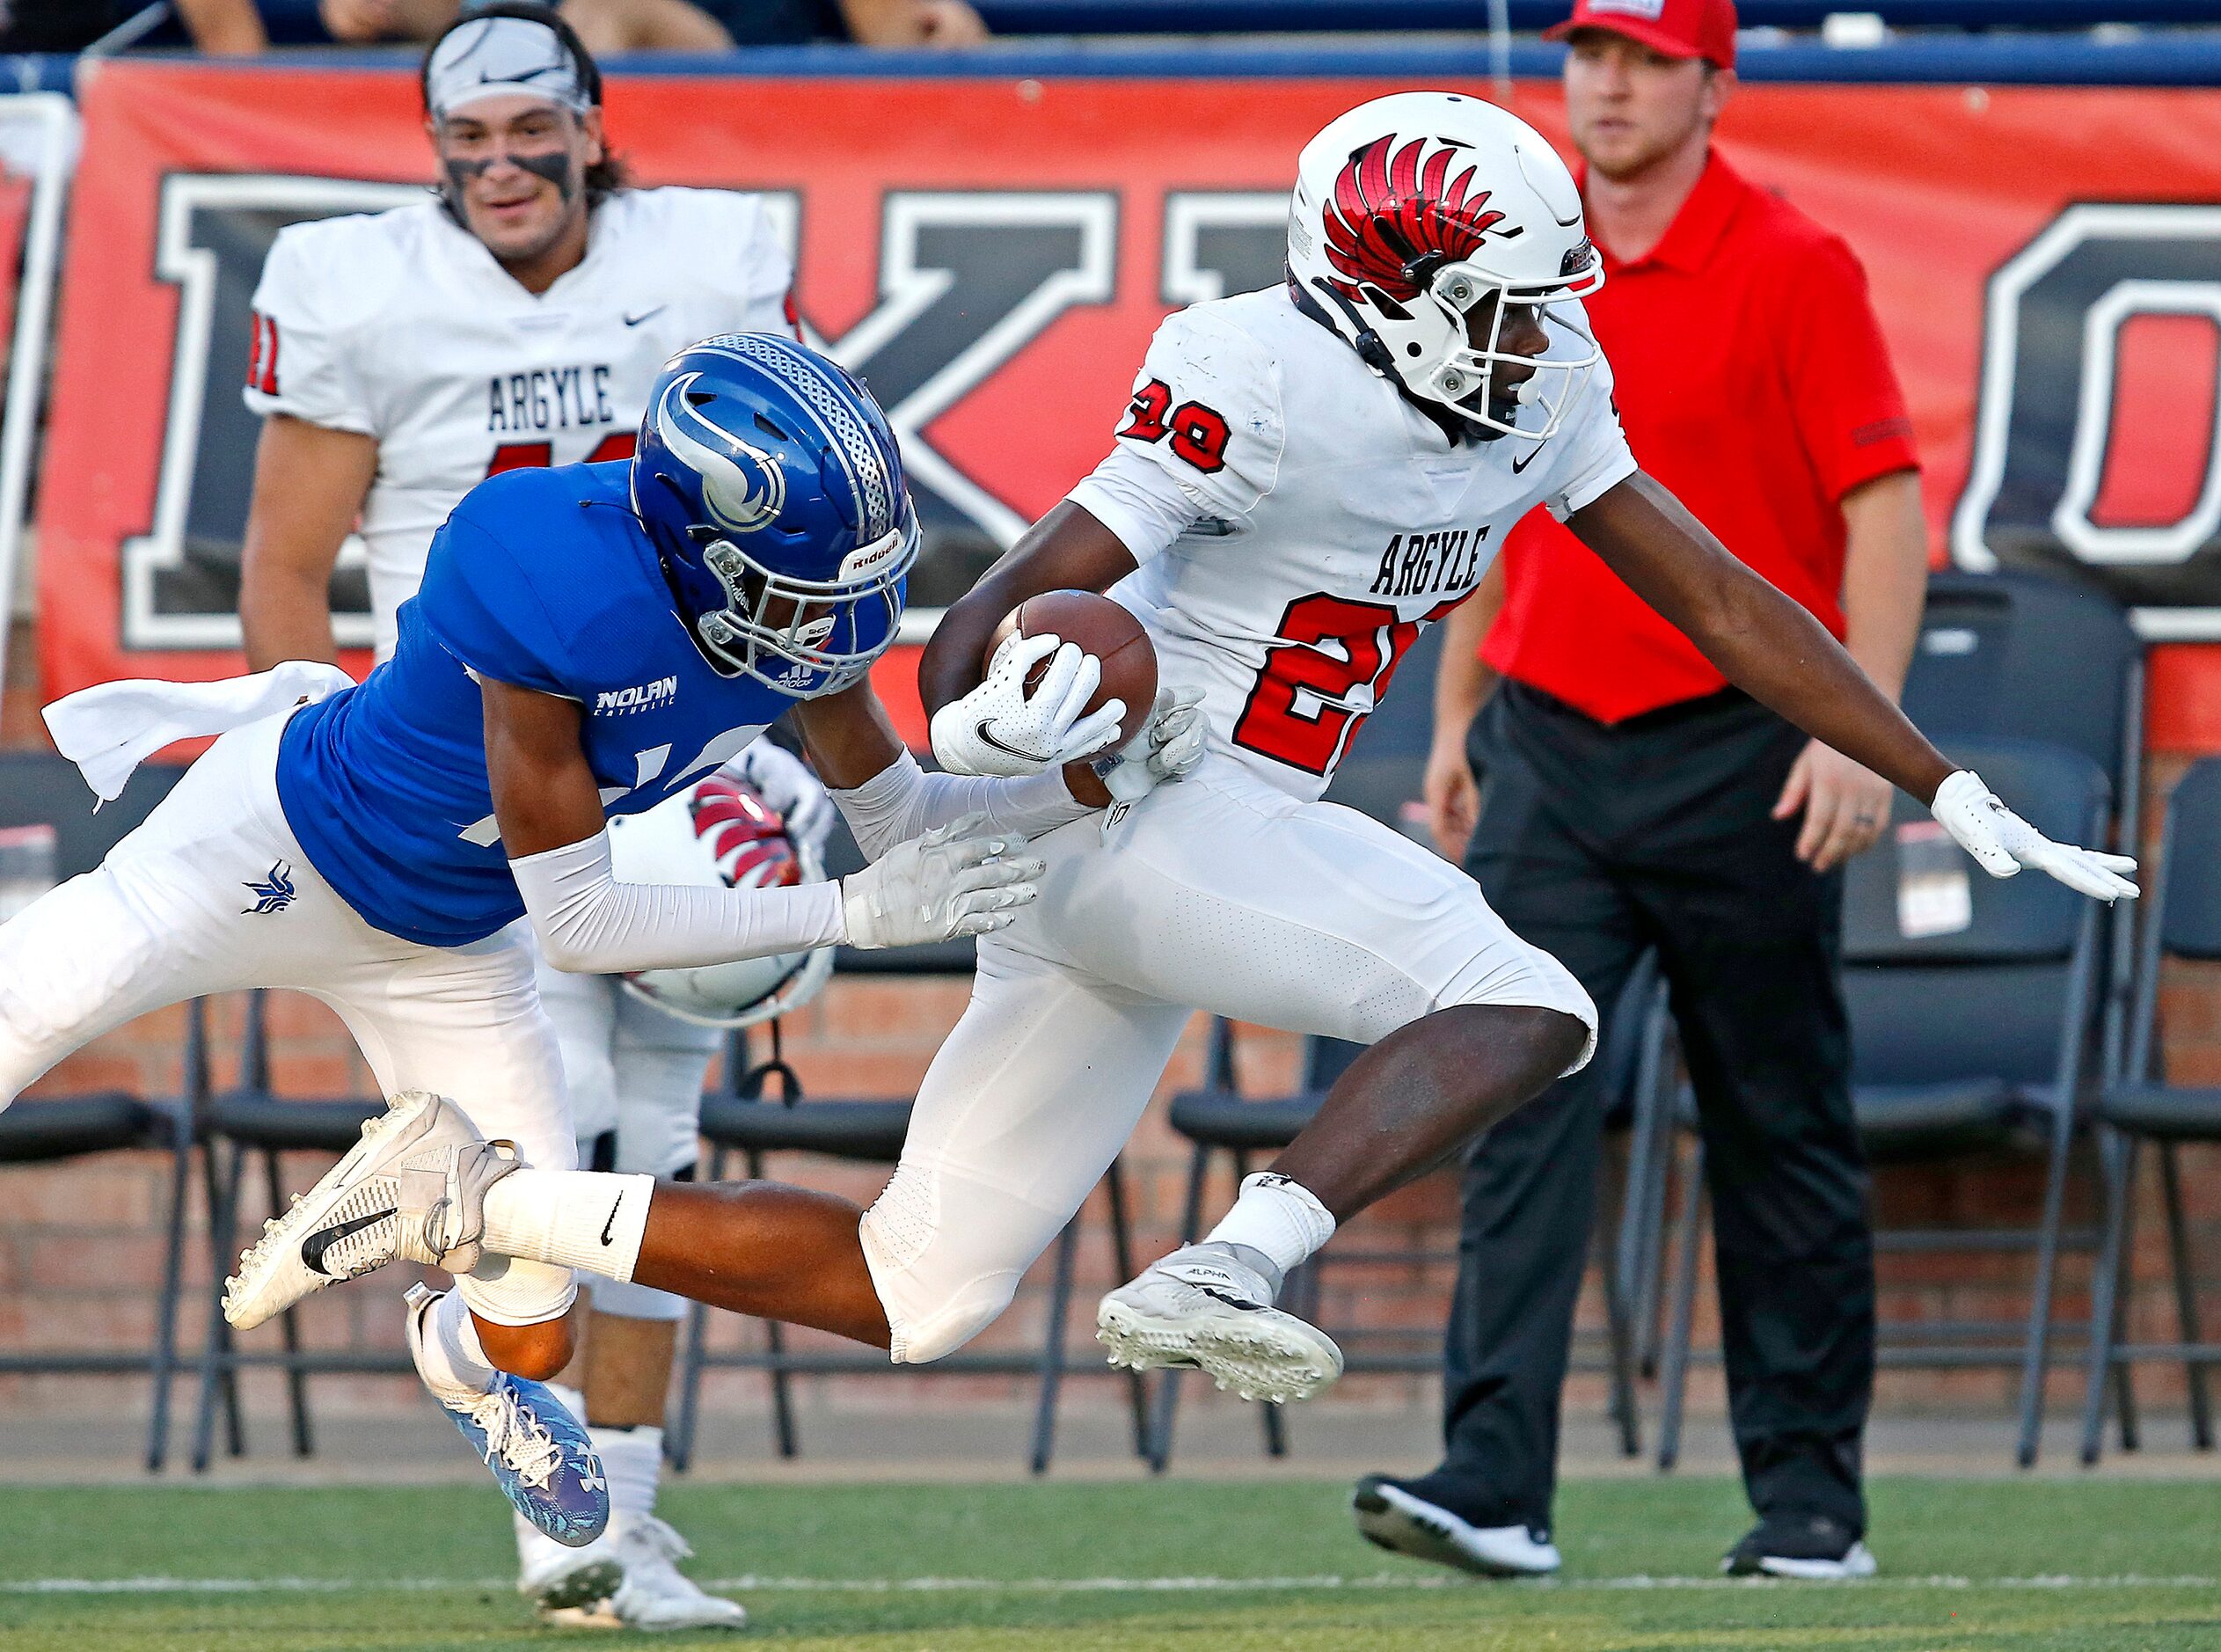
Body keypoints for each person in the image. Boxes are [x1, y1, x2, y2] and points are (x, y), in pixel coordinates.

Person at [229, 93, 2132, 1453]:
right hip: (1131, 805)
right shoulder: (1249, 369)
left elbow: (1719, 595)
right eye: (1508, 295)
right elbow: (1013, 604)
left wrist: (1940, 777)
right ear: (1388, 287)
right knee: (1528, 995)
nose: (1554, 331)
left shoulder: (1539, 387)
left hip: (1201, 853)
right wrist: (993, 712)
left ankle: (475, 1207)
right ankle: (1244, 1261)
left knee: (917, 1291)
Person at [14, 334, 1169, 1575]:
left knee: (533, 1329)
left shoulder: (798, 614)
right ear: (691, 542)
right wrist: (844, 914)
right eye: (797, 595)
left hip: (444, 948)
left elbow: (910, 825)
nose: (830, 629)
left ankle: (450, 1354)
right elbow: (580, 924)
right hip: (262, 853)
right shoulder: (548, 571)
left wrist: (1095, 777)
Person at [1354, 0, 1932, 1584]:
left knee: (1776, 1122)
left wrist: (1858, 733)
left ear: (1711, 86)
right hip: (1549, 737)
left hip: (1748, 754)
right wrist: (1458, 716)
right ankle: (1494, 1481)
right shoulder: (1515, 252)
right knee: (1516, 1092)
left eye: (1642, 56)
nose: (1604, 82)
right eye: (1585, 52)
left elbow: (1881, 504)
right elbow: (1495, 490)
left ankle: (1810, 1506)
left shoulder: (1795, 263)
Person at [236, 5, 800, 1621]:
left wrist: (765, 739)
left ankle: (619, 1515)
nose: (502, 165)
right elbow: (285, 565)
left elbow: (786, 514)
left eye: (530, 131)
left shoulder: (703, 264)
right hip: (481, 768)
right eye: (468, 139)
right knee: (531, 1144)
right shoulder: (364, 288)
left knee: (664, 1146)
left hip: (678, 757)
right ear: (432, 151)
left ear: (593, 123)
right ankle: (559, 1512)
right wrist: (333, 754)